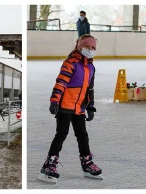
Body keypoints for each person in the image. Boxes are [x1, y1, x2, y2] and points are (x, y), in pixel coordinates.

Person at [39, 35, 102, 182]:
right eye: (88, 47)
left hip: (79, 108)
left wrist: (91, 107)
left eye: (93, 48)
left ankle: (87, 163)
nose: (91, 50)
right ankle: (49, 164)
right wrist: (55, 100)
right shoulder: (70, 63)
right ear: (80, 46)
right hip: (65, 105)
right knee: (61, 133)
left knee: (82, 135)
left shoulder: (91, 67)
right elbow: (61, 82)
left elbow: (90, 89)